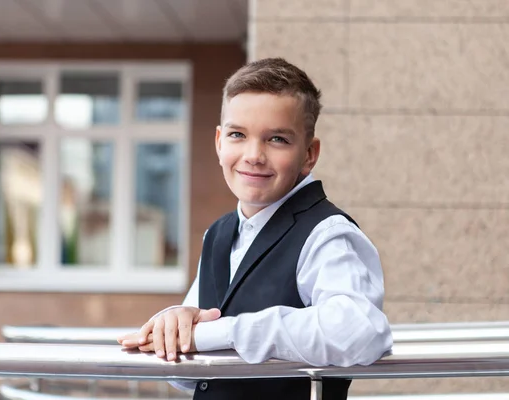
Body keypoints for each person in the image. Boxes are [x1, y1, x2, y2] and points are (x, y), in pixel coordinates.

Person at [118, 57, 393, 399]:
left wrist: (226, 333)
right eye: (237, 135)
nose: (253, 155)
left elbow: (359, 331)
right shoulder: (217, 234)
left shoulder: (327, 233)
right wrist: (175, 323)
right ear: (219, 143)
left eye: (276, 139)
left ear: (309, 154)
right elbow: (187, 376)